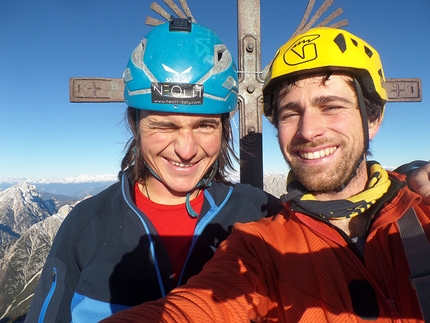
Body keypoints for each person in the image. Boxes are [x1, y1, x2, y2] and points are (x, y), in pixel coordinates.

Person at [102, 27, 430, 322]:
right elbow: (192, 310)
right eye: (290, 113)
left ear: (373, 118)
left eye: (330, 106)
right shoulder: (260, 247)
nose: (308, 130)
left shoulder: (423, 213)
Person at [24, 18, 282, 323]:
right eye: (163, 125)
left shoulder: (261, 215)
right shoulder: (85, 226)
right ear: (135, 125)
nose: (186, 150)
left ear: (224, 129)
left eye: (205, 126)